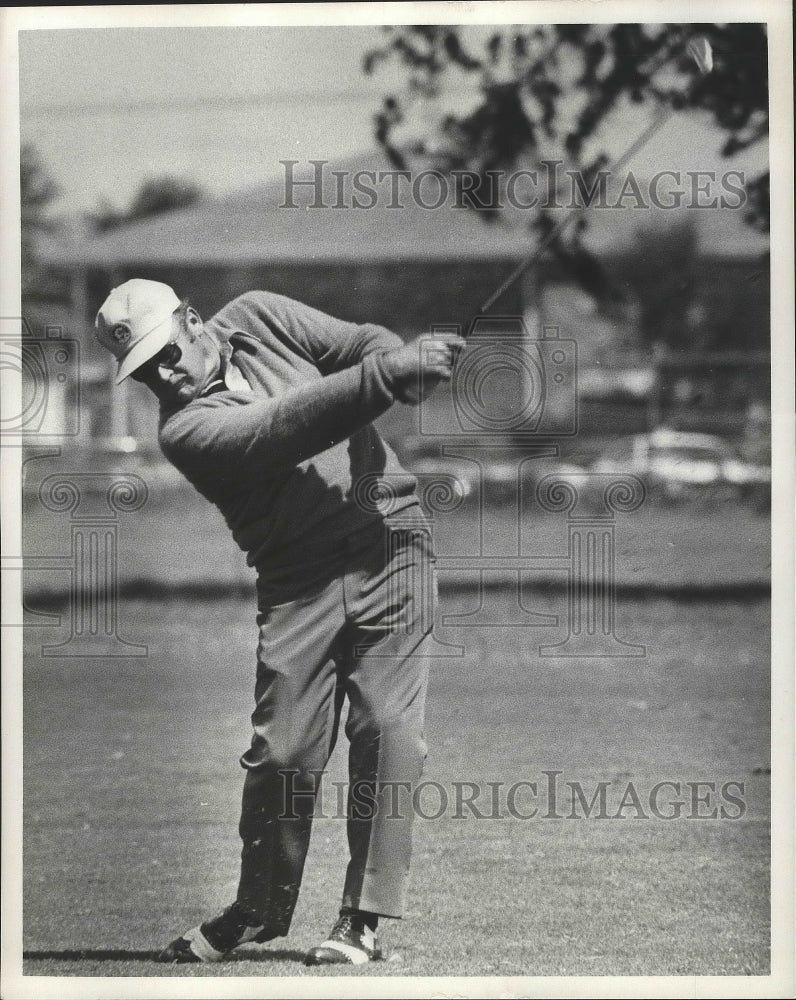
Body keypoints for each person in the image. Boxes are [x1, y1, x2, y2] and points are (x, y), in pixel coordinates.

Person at [94, 278, 464, 966]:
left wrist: (398, 363)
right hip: (298, 582)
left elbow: (355, 343)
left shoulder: (261, 314)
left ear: (195, 320)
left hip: (392, 543)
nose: (162, 377)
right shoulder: (185, 432)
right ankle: (256, 909)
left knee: (388, 729)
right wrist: (391, 373)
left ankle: (362, 919)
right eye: (144, 372)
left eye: (165, 355)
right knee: (283, 754)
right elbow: (283, 426)